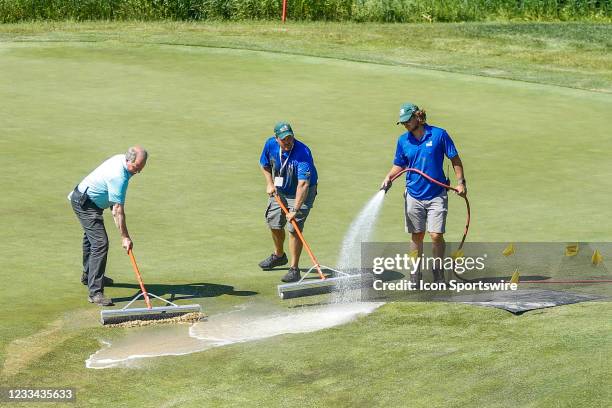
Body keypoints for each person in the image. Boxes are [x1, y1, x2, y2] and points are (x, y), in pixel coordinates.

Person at [381, 103, 466, 284]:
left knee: (436, 235)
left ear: (417, 117)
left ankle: (437, 272)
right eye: (402, 122)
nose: (405, 125)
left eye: (407, 121)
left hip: (437, 193)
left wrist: (461, 183)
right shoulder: (403, 140)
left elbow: (455, 159)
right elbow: (400, 164)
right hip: (413, 194)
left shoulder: (439, 135)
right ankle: (415, 273)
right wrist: (389, 177)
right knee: (417, 235)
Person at [68, 146, 148, 306]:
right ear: (128, 160)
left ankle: (89, 275)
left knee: (91, 239)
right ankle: (95, 293)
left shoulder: (121, 161)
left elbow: (113, 202)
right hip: (84, 203)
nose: (136, 172)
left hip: (89, 200)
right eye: (135, 168)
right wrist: (125, 237)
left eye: (140, 169)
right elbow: (117, 210)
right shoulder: (119, 177)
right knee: (100, 243)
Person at [259, 121, 318, 283]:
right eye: (284, 139)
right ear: (276, 138)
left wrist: (295, 209)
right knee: (274, 222)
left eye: (290, 138)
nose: (288, 142)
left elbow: (303, 184)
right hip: (280, 190)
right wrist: (270, 183)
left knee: (294, 227)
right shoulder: (270, 144)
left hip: (302, 192)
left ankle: (294, 269)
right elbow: (264, 165)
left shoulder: (303, 153)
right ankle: (279, 256)